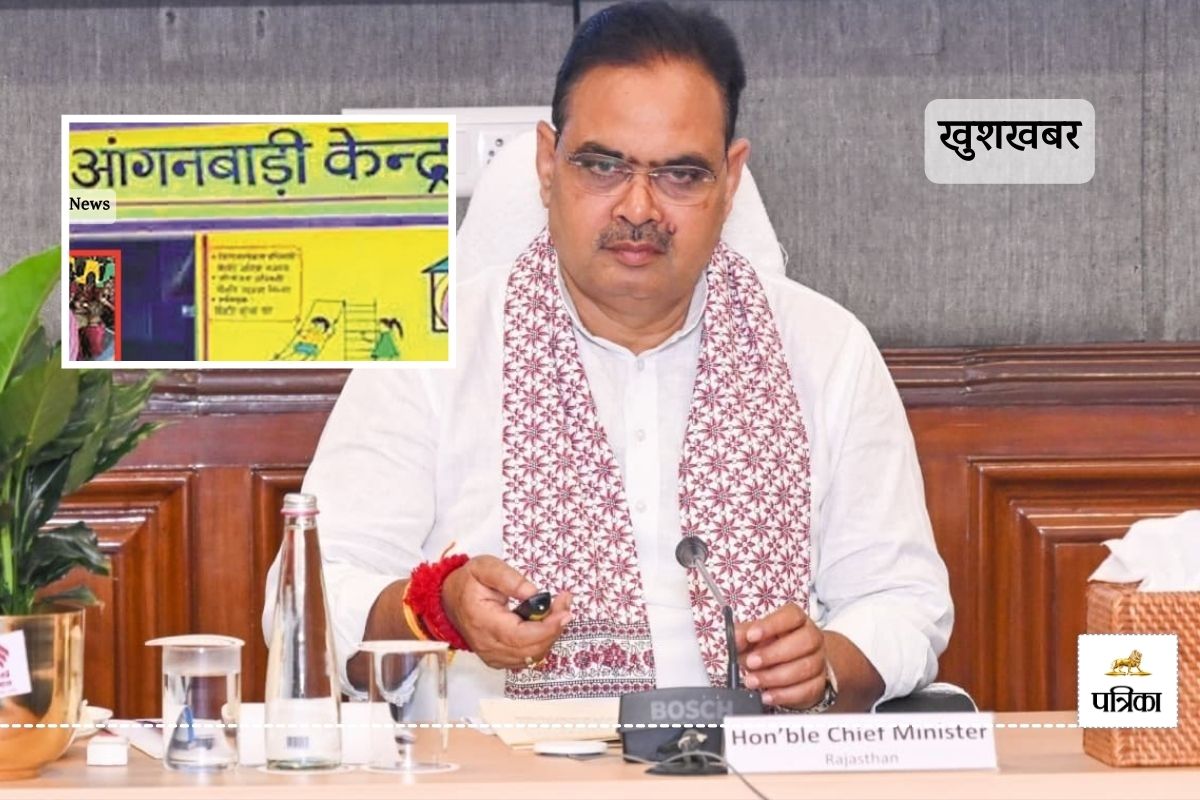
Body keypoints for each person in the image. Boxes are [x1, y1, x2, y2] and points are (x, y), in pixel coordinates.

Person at [264, 0, 952, 718]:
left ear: (729, 181)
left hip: (754, 763)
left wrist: (828, 663)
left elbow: (902, 600)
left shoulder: (826, 349)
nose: (639, 207)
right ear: (546, 164)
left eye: (681, 174)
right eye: (602, 165)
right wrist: (434, 608)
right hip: (502, 767)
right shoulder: (434, 351)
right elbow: (307, 599)